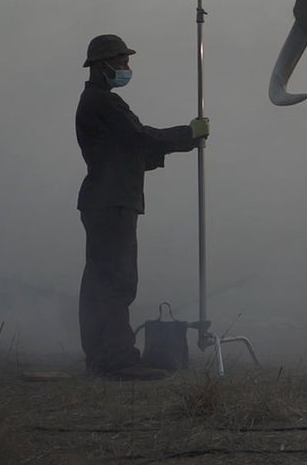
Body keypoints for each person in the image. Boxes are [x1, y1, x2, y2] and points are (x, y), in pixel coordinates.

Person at [75, 34, 209, 380]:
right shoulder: (105, 103)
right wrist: (187, 134)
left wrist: (183, 143)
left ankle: (102, 355)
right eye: (121, 62)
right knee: (115, 280)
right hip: (111, 203)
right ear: (102, 65)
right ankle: (117, 360)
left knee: (102, 279)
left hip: (107, 201)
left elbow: (130, 153)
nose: (126, 68)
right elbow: (140, 138)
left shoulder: (97, 102)